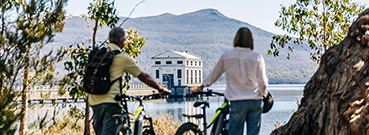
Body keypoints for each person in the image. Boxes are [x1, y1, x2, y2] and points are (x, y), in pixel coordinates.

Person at [89, 27, 170, 135]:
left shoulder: (98, 55)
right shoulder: (122, 57)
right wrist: (160, 88)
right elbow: (143, 76)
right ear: (122, 41)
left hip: (94, 102)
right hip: (111, 103)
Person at [192, 27, 268, 135]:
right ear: (251, 40)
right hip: (255, 100)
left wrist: (202, 86)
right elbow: (263, 83)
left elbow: (214, 75)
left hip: (236, 101)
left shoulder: (227, 56)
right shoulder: (257, 57)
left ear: (236, 39)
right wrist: (263, 94)